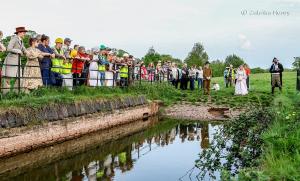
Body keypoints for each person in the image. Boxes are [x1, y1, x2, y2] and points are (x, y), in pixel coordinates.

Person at [2, 27, 28, 94]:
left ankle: (16, 94)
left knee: (19, 78)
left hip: (17, 62)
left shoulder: (21, 40)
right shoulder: (14, 39)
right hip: (11, 61)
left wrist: (28, 52)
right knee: (8, 78)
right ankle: (5, 94)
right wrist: (18, 51)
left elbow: (24, 49)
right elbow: (8, 48)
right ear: (19, 33)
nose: (25, 34)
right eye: (23, 32)